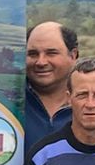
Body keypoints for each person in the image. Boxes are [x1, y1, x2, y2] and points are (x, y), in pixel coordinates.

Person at [21, 21, 77, 151]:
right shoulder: (8, 101)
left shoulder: (89, 103)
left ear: (73, 55)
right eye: (33, 54)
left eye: (51, 53)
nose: (41, 62)